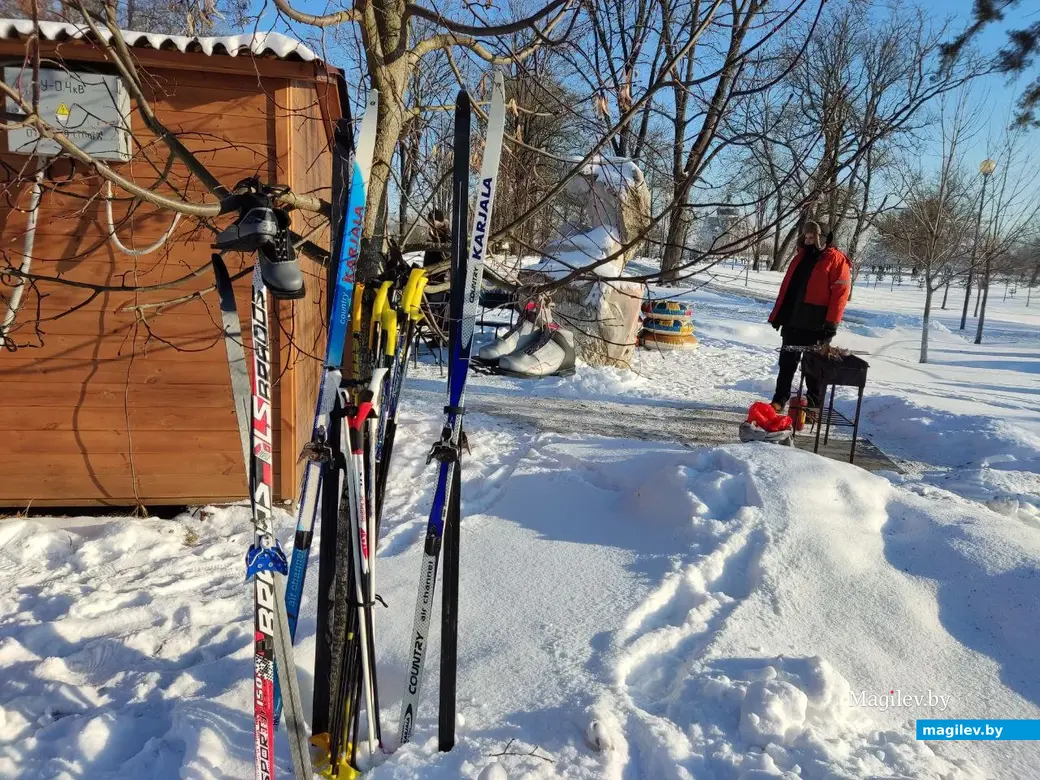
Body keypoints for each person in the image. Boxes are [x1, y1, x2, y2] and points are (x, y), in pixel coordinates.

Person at [767, 220, 851, 416]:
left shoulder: (837, 260)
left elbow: (840, 296)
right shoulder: (801, 257)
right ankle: (779, 400)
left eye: (812, 237)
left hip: (817, 323)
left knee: (813, 367)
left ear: (823, 238)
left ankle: (813, 407)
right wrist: (780, 315)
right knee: (786, 362)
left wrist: (831, 324)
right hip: (793, 319)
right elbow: (789, 289)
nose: (808, 240)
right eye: (806, 237)